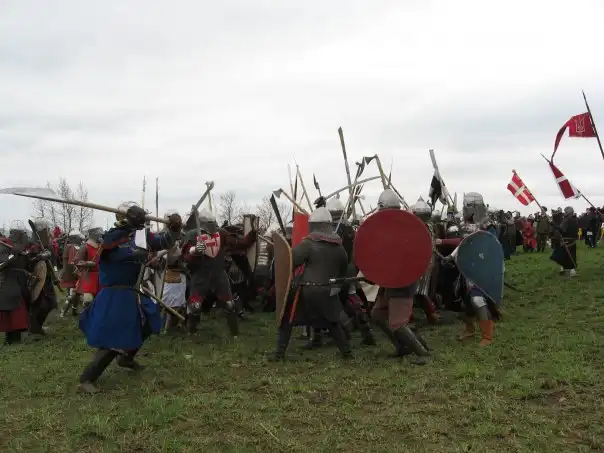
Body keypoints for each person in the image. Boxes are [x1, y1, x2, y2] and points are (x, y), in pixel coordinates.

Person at [77, 203, 182, 393]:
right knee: (113, 338)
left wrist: (174, 229)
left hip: (132, 291)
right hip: (114, 293)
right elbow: (109, 250)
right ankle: (87, 378)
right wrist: (133, 242)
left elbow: (164, 242)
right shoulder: (112, 235)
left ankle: (126, 358)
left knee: (149, 322)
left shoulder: (141, 235)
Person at [269, 206, 352, 361]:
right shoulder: (339, 247)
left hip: (308, 290)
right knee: (332, 323)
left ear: (313, 225)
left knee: (287, 319)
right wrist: (335, 290)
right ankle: (347, 354)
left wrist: (283, 252)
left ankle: (279, 355)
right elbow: (343, 272)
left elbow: (290, 262)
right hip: (328, 291)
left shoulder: (308, 244)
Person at [370, 189, 431, 365]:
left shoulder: (407, 228)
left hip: (402, 279)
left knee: (398, 323)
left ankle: (422, 353)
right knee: (377, 315)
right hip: (389, 280)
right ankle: (401, 346)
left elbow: (409, 255)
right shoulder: (385, 229)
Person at [181, 209, 257, 336]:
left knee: (229, 304)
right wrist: (195, 250)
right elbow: (185, 255)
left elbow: (238, 242)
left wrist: (252, 234)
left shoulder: (221, 233)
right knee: (195, 305)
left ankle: (235, 334)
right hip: (201, 273)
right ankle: (191, 332)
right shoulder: (193, 234)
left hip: (218, 272)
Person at [550, 206, 578, 277]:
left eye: (565, 211)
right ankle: (569, 270)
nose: (564, 212)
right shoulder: (575, 219)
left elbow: (561, 230)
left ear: (568, 212)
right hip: (572, 241)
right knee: (571, 256)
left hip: (565, 241)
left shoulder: (566, 220)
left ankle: (566, 269)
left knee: (558, 256)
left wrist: (552, 223)